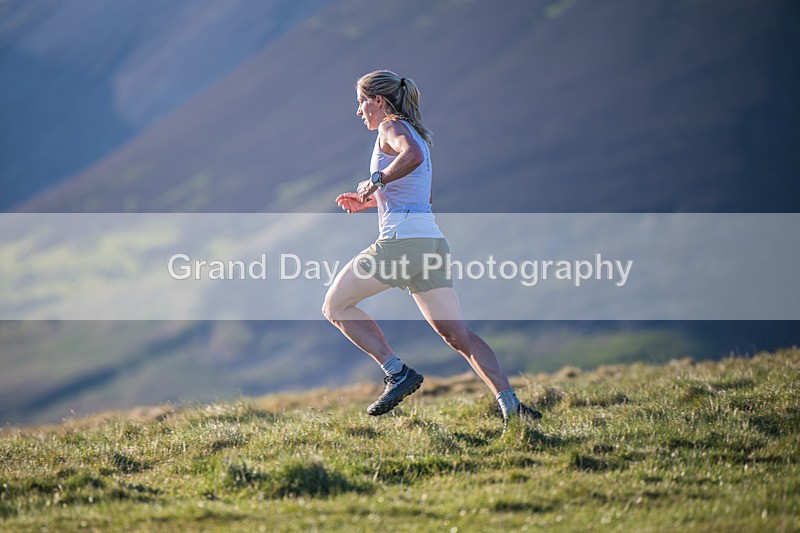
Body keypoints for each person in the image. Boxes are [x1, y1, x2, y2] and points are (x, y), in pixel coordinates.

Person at [323, 70, 541, 431]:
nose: (358, 111)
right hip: (431, 244)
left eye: (361, 101)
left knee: (335, 306)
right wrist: (372, 201)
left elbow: (410, 158)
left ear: (379, 101)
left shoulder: (391, 127)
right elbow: (418, 193)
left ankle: (397, 373)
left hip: (402, 244)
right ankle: (512, 406)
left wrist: (376, 180)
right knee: (458, 335)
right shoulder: (414, 132)